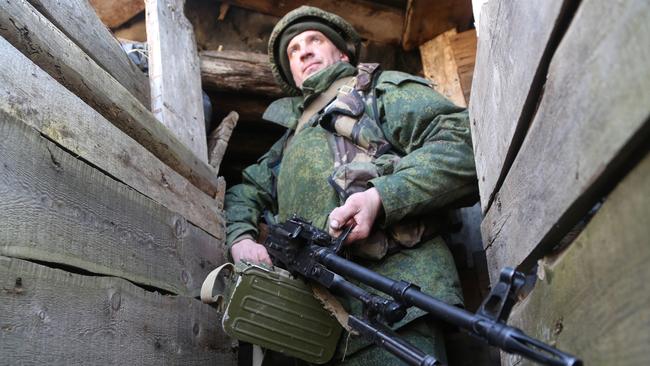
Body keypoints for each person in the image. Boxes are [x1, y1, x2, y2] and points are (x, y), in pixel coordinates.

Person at [224, 6, 478, 365]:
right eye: (294, 51)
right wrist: (241, 238)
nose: (304, 52)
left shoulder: (378, 91)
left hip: (394, 302)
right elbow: (244, 192)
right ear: (292, 75)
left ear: (342, 53)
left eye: (314, 40)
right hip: (309, 326)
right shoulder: (285, 146)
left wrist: (381, 197)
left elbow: (461, 144)